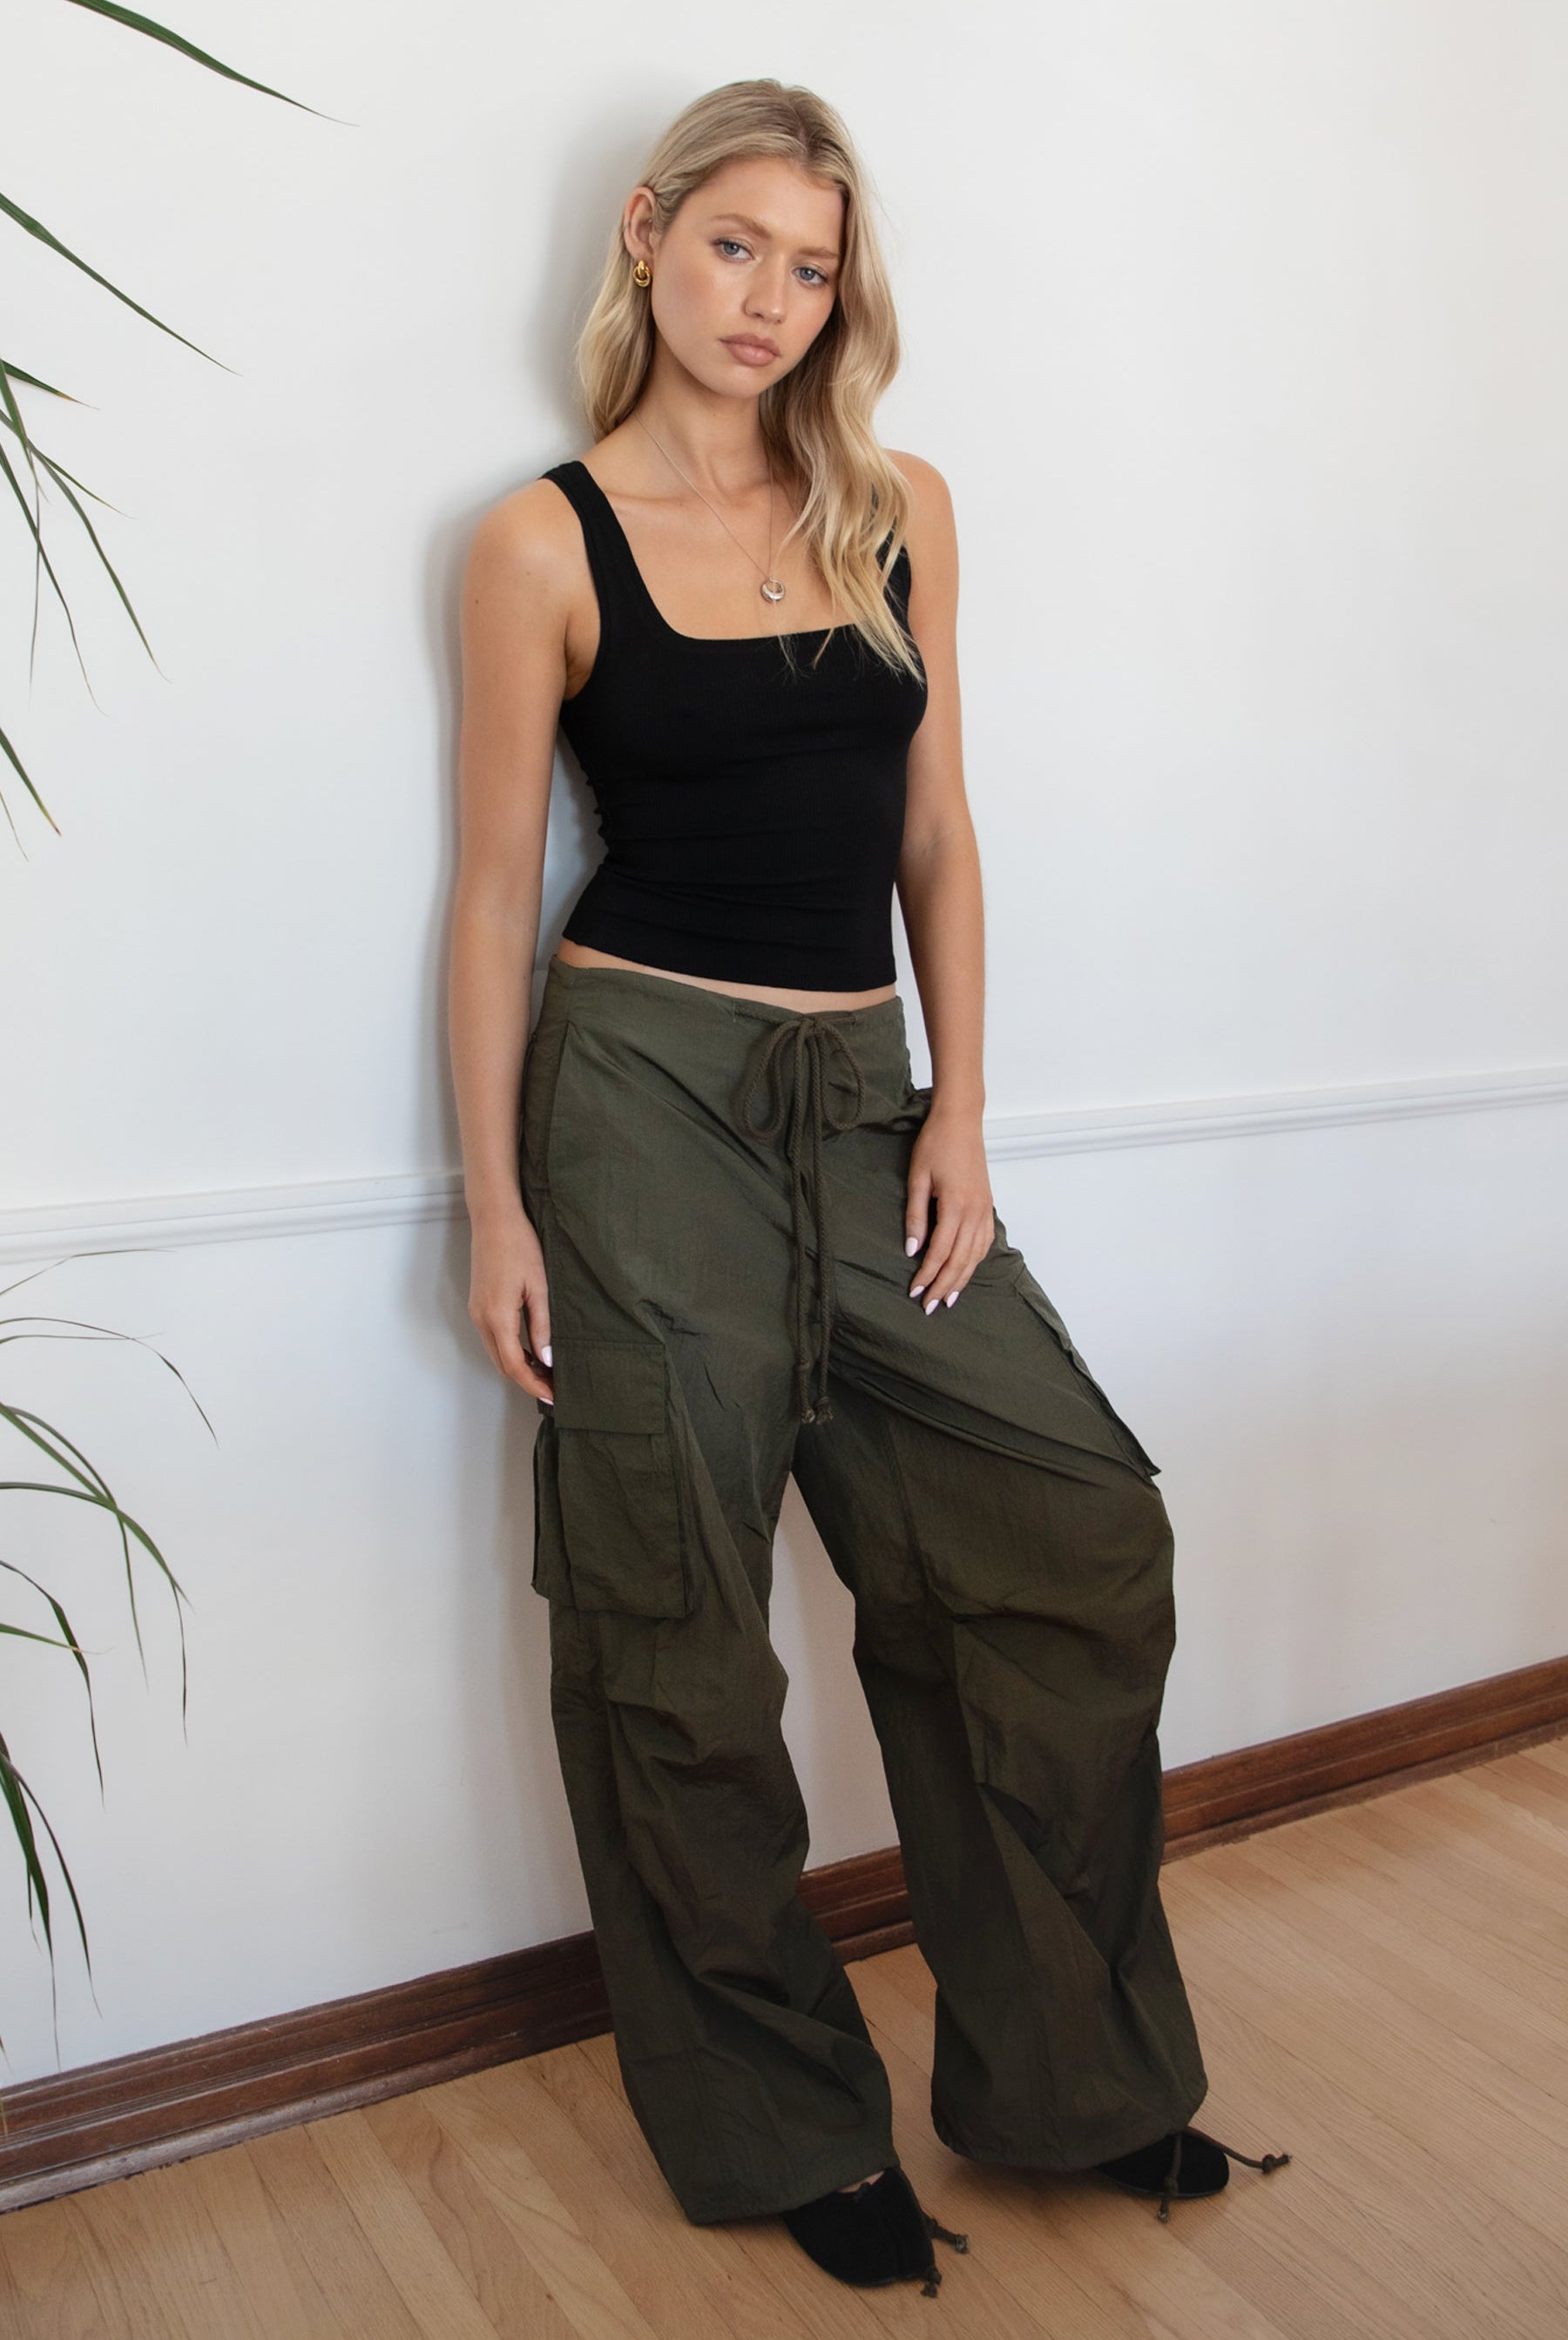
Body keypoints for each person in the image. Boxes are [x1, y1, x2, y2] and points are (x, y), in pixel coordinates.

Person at [447, 76, 1289, 2298]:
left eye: (813, 265)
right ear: (646, 236)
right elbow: (483, 895)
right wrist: (496, 1208)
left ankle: (1080, 2086)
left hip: (869, 1101)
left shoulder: (896, 503)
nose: (774, 299)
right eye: (737, 246)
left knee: (1068, 1534)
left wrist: (964, 1108)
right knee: (676, 1644)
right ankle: (784, 2125)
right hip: (638, 1106)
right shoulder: (544, 538)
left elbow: (940, 833)